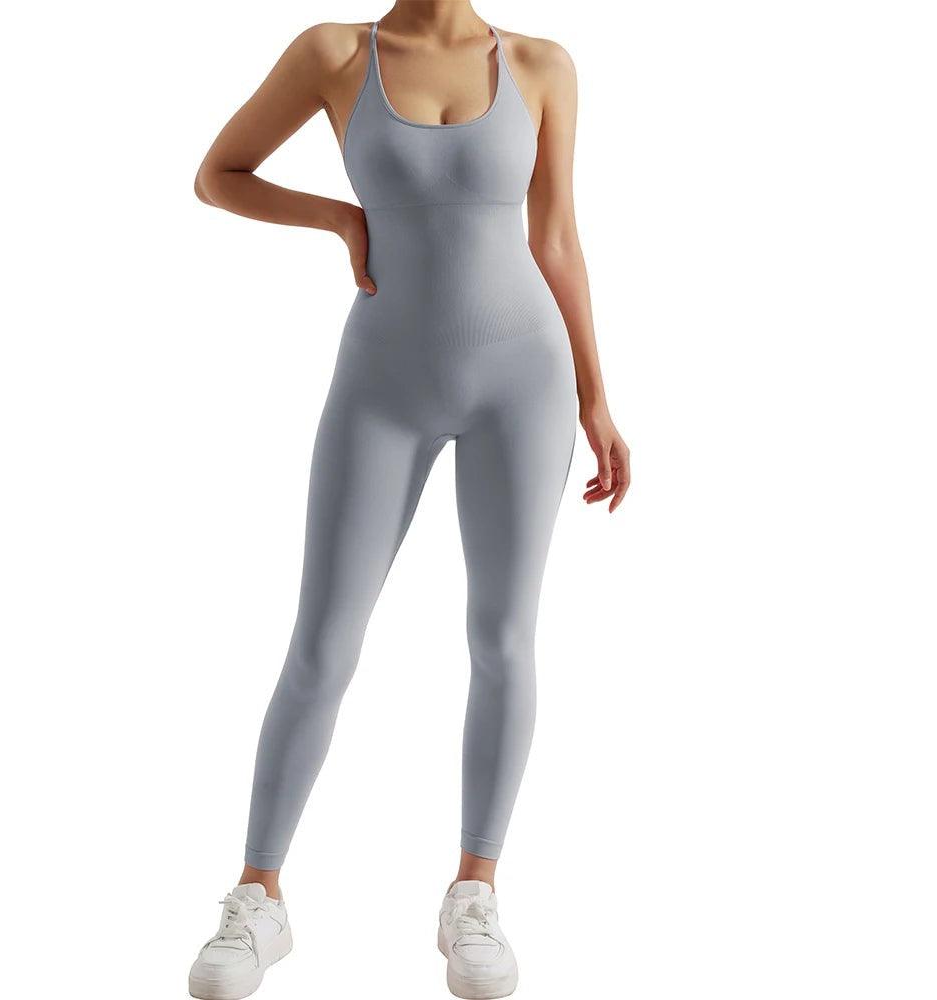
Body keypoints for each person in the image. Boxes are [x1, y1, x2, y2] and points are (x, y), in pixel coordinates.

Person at [189, 4, 630, 998]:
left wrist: (596, 398)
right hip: (382, 386)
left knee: (503, 638)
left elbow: (557, 237)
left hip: (524, 382)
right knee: (322, 644)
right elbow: (218, 175)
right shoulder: (335, 53)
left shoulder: (542, 65)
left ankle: (474, 892)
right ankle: (259, 896)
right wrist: (340, 217)